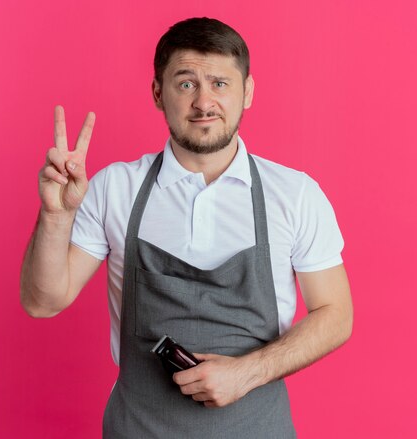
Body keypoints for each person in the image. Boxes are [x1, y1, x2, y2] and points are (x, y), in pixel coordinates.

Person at [20, 17, 353, 438]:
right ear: (158, 93)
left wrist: (247, 373)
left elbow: (336, 314)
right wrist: (55, 215)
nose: (204, 102)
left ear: (247, 92)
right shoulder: (114, 188)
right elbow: (42, 302)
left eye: (220, 83)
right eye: (186, 83)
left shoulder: (294, 194)